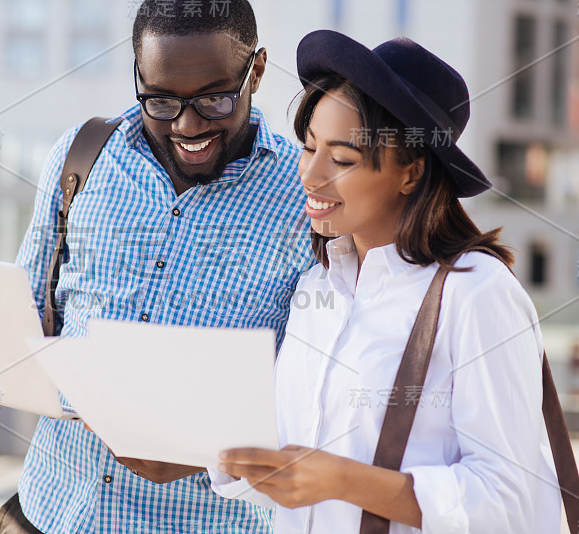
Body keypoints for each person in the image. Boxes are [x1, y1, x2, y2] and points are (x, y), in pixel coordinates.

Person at [0, 1, 312, 532]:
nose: (187, 125)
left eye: (213, 98)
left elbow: (321, 399)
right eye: (160, 100)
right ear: (137, 73)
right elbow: (25, 321)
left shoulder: (307, 200)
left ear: (256, 70)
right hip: (48, 512)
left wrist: (210, 451)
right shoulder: (81, 156)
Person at [213, 30, 562, 533]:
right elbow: (292, 456)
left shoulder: (477, 292)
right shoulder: (319, 288)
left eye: (341, 159)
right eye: (308, 148)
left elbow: (505, 499)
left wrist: (345, 480)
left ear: (411, 173)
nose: (310, 175)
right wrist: (191, 440)